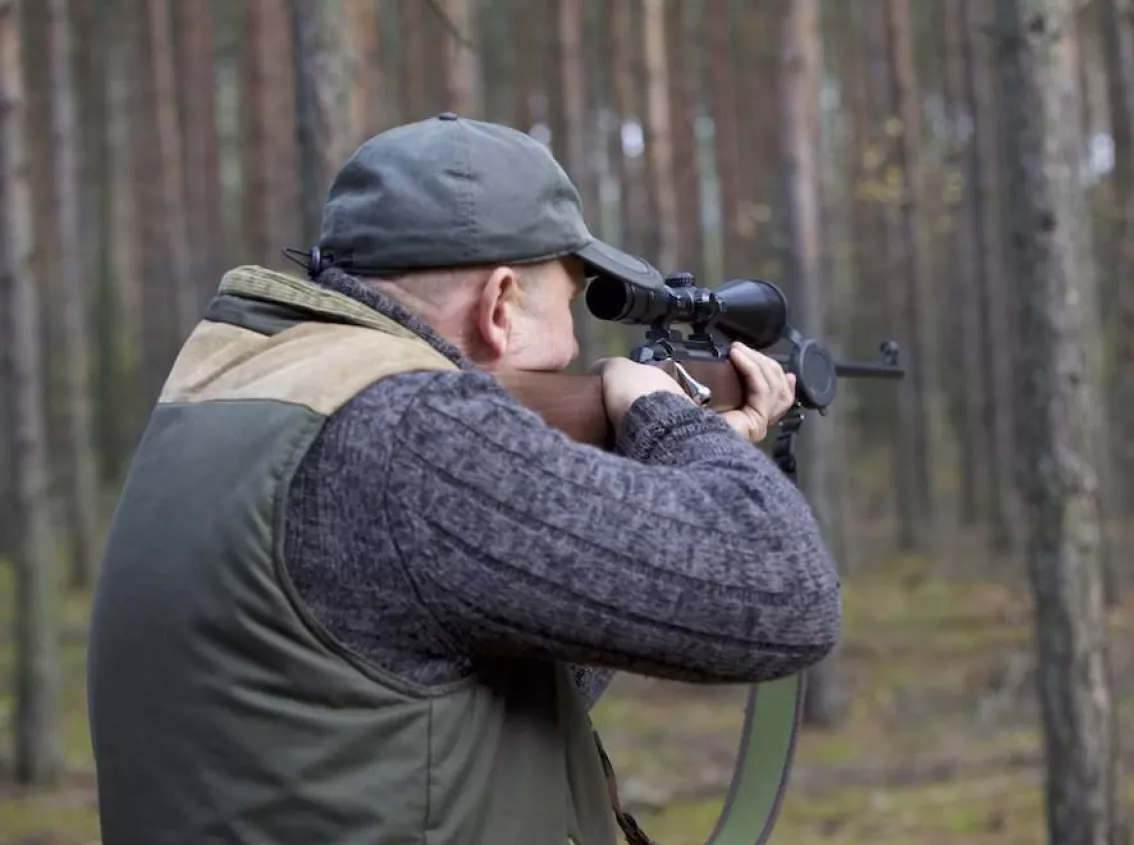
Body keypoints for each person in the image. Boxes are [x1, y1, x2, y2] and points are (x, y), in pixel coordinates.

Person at [86, 113, 840, 845]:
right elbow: (786, 594)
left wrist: (670, 468)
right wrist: (673, 421)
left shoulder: (245, 386)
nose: (576, 344)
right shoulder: (413, 428)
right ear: (500, 304)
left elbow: (441, 676)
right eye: (568, 306)